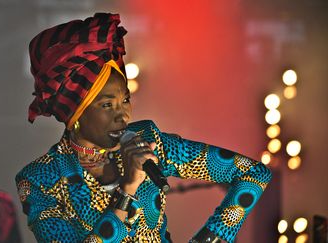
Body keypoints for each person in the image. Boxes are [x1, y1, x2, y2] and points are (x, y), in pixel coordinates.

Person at [15, 13, 272, 243]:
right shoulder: (40, 179)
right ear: (75, 114)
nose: (123, 114)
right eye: (107, 105)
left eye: (125, 99)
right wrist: (126, 190)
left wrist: (211, 238)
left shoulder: (150, 141)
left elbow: (254, 174)